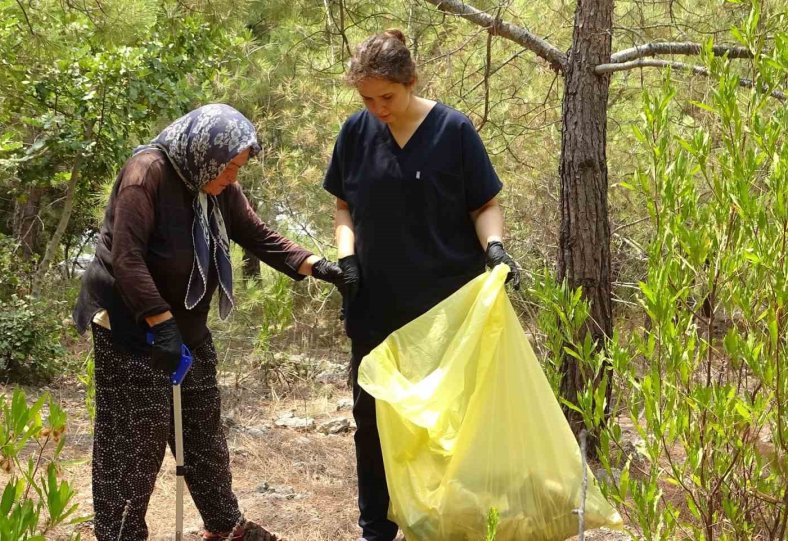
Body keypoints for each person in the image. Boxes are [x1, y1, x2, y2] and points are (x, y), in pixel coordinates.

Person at [73, 104, 345, 541]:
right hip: (129, 326)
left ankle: (225, 527)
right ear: (207, 154)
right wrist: (159, 322)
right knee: (134, 445)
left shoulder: (214, 184)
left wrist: (320, 267)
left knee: (202, 432)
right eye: (231, 167)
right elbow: (126, 258)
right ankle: (120, 534)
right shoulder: (147, 174)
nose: (233, 177)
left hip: (185, 328)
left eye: (238, 168)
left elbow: (257, 234)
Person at [322, 30, 521, 541]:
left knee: (442, 428)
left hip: (444, 311)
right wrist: (347, 261)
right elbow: (344, 206)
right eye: (367, 99)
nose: (377, 108)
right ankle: (377, 530)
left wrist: (493, 248)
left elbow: (485, 205)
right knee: (375, 427)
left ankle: (444, 526)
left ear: (411, 82)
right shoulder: (355, 132)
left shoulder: (452, 131)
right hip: (375, 309)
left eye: (386, 96)